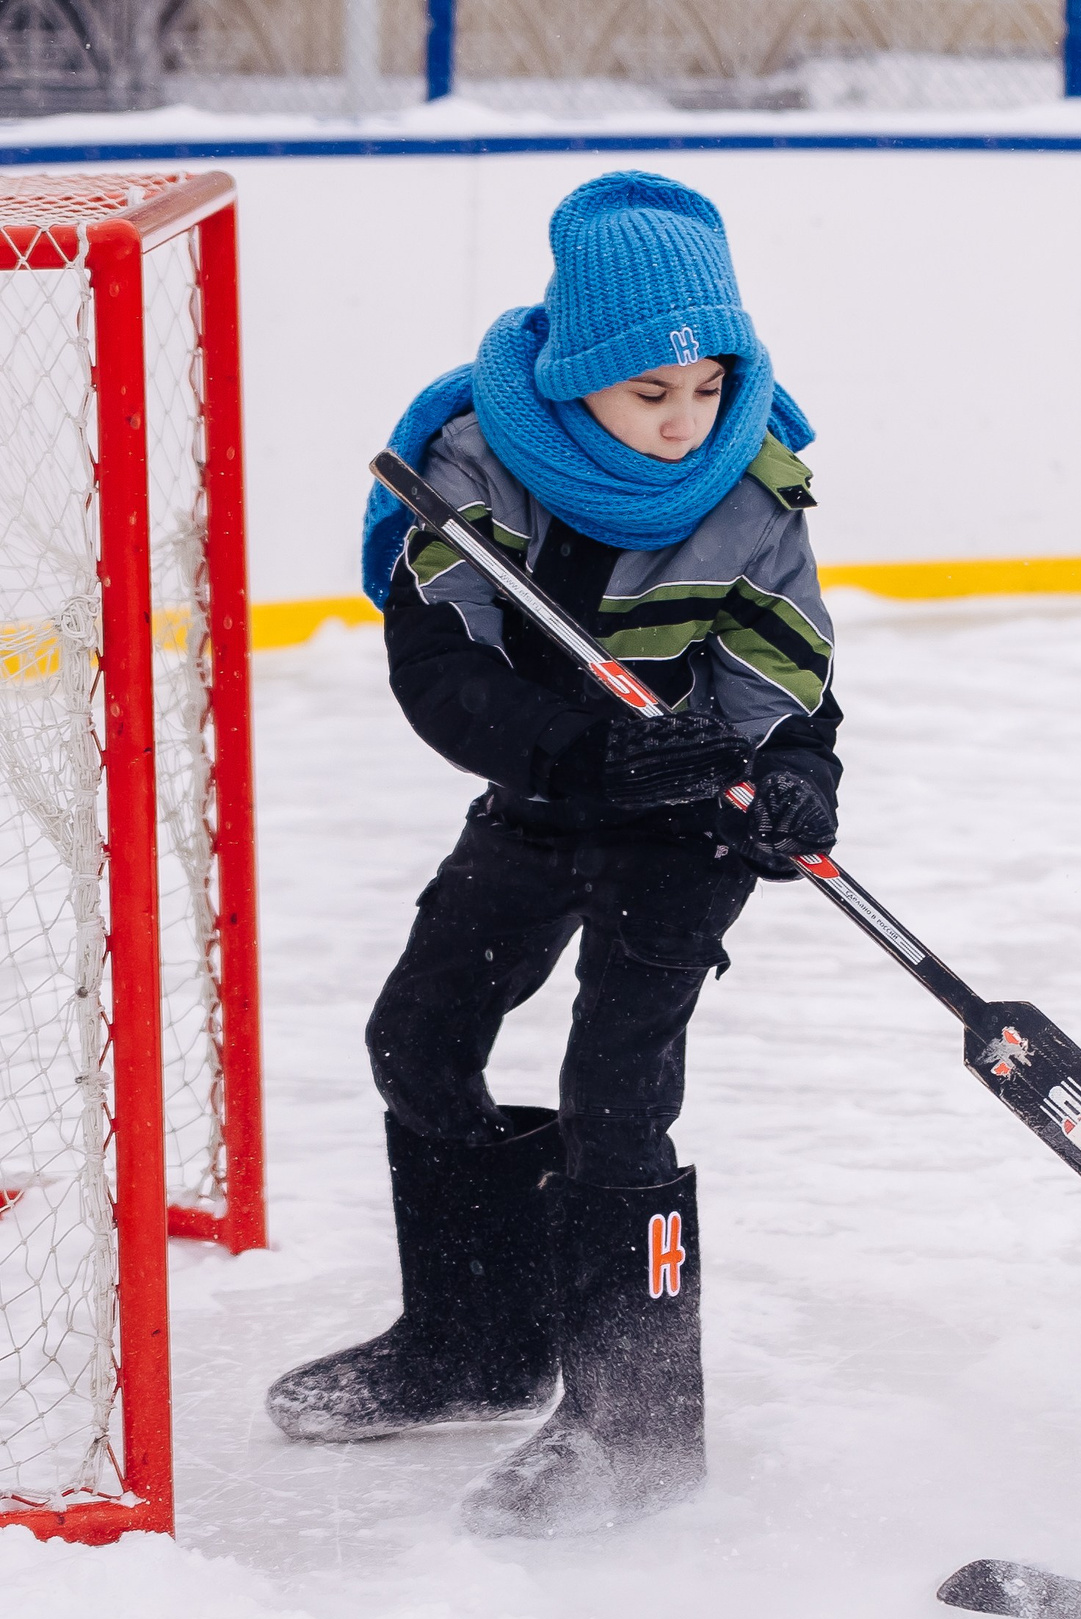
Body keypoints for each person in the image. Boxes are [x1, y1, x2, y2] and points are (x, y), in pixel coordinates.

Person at [264, 172, 841, 1538]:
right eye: (651, 393)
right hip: (545, 792)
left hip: (685, 822)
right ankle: (476, 1343)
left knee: (616, 1098)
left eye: (708, 386)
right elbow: (439, 673)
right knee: (418, 1038)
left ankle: (633, 1426)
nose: (687, 420)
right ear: (579, 377)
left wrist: (794, 785)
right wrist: (575, 751)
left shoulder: (753, 488)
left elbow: (789, 686)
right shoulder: (469, 465)